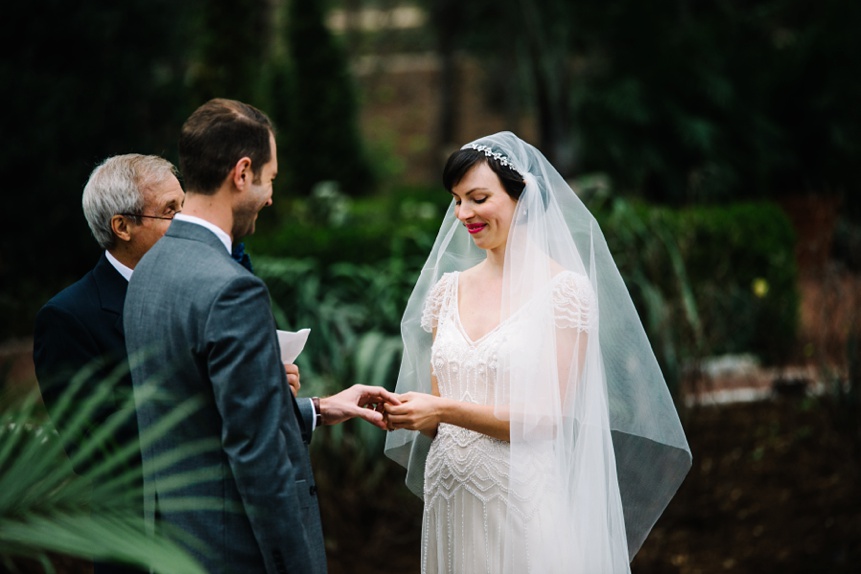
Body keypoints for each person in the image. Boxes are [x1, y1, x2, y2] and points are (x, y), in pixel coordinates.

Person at [384, 132, 692, 573]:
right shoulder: (446, 291)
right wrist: (407, 411)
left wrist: (441, 408)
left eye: (477, 198)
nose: (463, 214)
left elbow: (546, 418)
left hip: (518, 503)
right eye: (456, 200)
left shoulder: (564, 293)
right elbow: (436, 414)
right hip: (450, 500)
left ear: (521, 197)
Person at [123, 97, 398, 574]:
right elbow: (258, 457)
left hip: (175, 546)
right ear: (243, 173)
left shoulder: (149, 270)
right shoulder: (232, 288)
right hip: (236, 553)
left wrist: (314, 409)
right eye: (270, 179)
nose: (271, 196)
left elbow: (198, 411)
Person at [33, 153, 185, 574]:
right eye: (171, 211)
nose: (186, 223)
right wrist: (203, 396)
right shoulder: (67, 318)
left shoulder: (194, 295)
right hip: (141, 541)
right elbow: (94, 446)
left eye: (185, 207)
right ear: (122, 226)